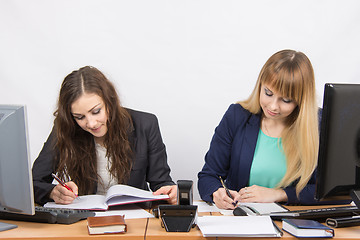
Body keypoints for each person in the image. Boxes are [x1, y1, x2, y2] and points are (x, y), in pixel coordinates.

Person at [32, 66, 177, 206]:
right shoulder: (65, 128)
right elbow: (32, 182)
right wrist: (52, 192)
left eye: (96, 111)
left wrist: (170, 191)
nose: (91, 123)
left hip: (135, 218)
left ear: (110, 101)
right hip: (85, 220)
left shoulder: (145, 124)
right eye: (79, 117)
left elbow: (161, 182)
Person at [198, 49, 320, 209]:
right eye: (268, 93)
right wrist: (217, 192)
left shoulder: (319, 125)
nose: (273, 106)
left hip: (293, 225)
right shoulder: (237, 116)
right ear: (260, 86)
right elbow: (208, 176)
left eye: (286, 100)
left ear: (301, 100)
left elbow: (339, 194)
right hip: (242, 222)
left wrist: (280, 194)